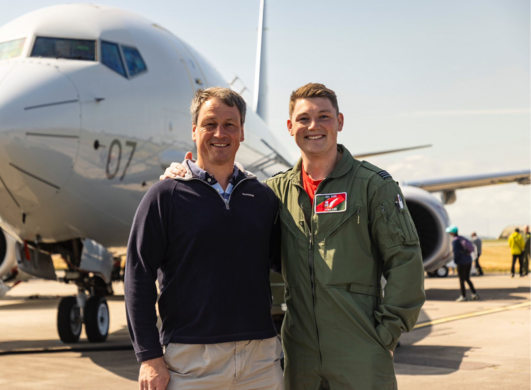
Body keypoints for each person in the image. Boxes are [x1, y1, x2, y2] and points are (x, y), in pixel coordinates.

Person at [162, 83, 426, 389]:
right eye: (303, 119)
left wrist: (386, 334)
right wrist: (186, 175)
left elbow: (406, 261)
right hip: (299, 354)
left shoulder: (373, 186)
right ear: (290, 127)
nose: (313, 126)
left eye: (324, 117)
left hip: (361, 348)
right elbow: (232, 196)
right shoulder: (274, 192)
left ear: (339, 122)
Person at [126, 87, 283, 390]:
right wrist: (149, 356)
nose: (219, 133)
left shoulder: (262, 197)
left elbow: (287, 262)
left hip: (260, 361)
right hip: (191, 362)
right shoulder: (166, 195)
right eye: (210, 124)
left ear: (241, 133)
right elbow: (138, 275)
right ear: (194, 131)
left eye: (230, 125)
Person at [446, 226, 479, 301]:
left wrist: (455, 262)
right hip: (468, 260)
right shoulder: (462, 238)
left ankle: (463, 296)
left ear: (452, 233)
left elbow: (456, 253)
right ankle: (475, 293)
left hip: (461, 262)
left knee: (461, 280)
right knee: (467, 278)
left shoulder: (455, 241)